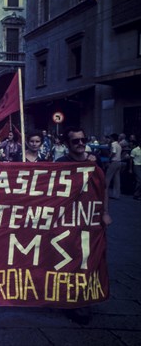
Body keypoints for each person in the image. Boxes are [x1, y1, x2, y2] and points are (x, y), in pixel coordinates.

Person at [55, 126, 112, 325]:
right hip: (67, 221)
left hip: (90, 219)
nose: (80, 144)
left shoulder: (94, 162)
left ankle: (82, 299)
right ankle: (69, 301)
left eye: (83, 140)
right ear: (67, 144)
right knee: (67, 260)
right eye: (75, 141)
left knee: (87, 259)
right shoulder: (60, 164)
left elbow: (102, 188)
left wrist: (105, 212)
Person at [105, 133, 122, 199]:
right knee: (117, 179)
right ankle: (116, 195)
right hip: (119, 162)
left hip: (114, 161)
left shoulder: (113, 144)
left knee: (108, 177)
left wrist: (108, 159)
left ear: (112, 138)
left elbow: (113, 152)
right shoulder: (119, 145)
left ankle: (104, 192)